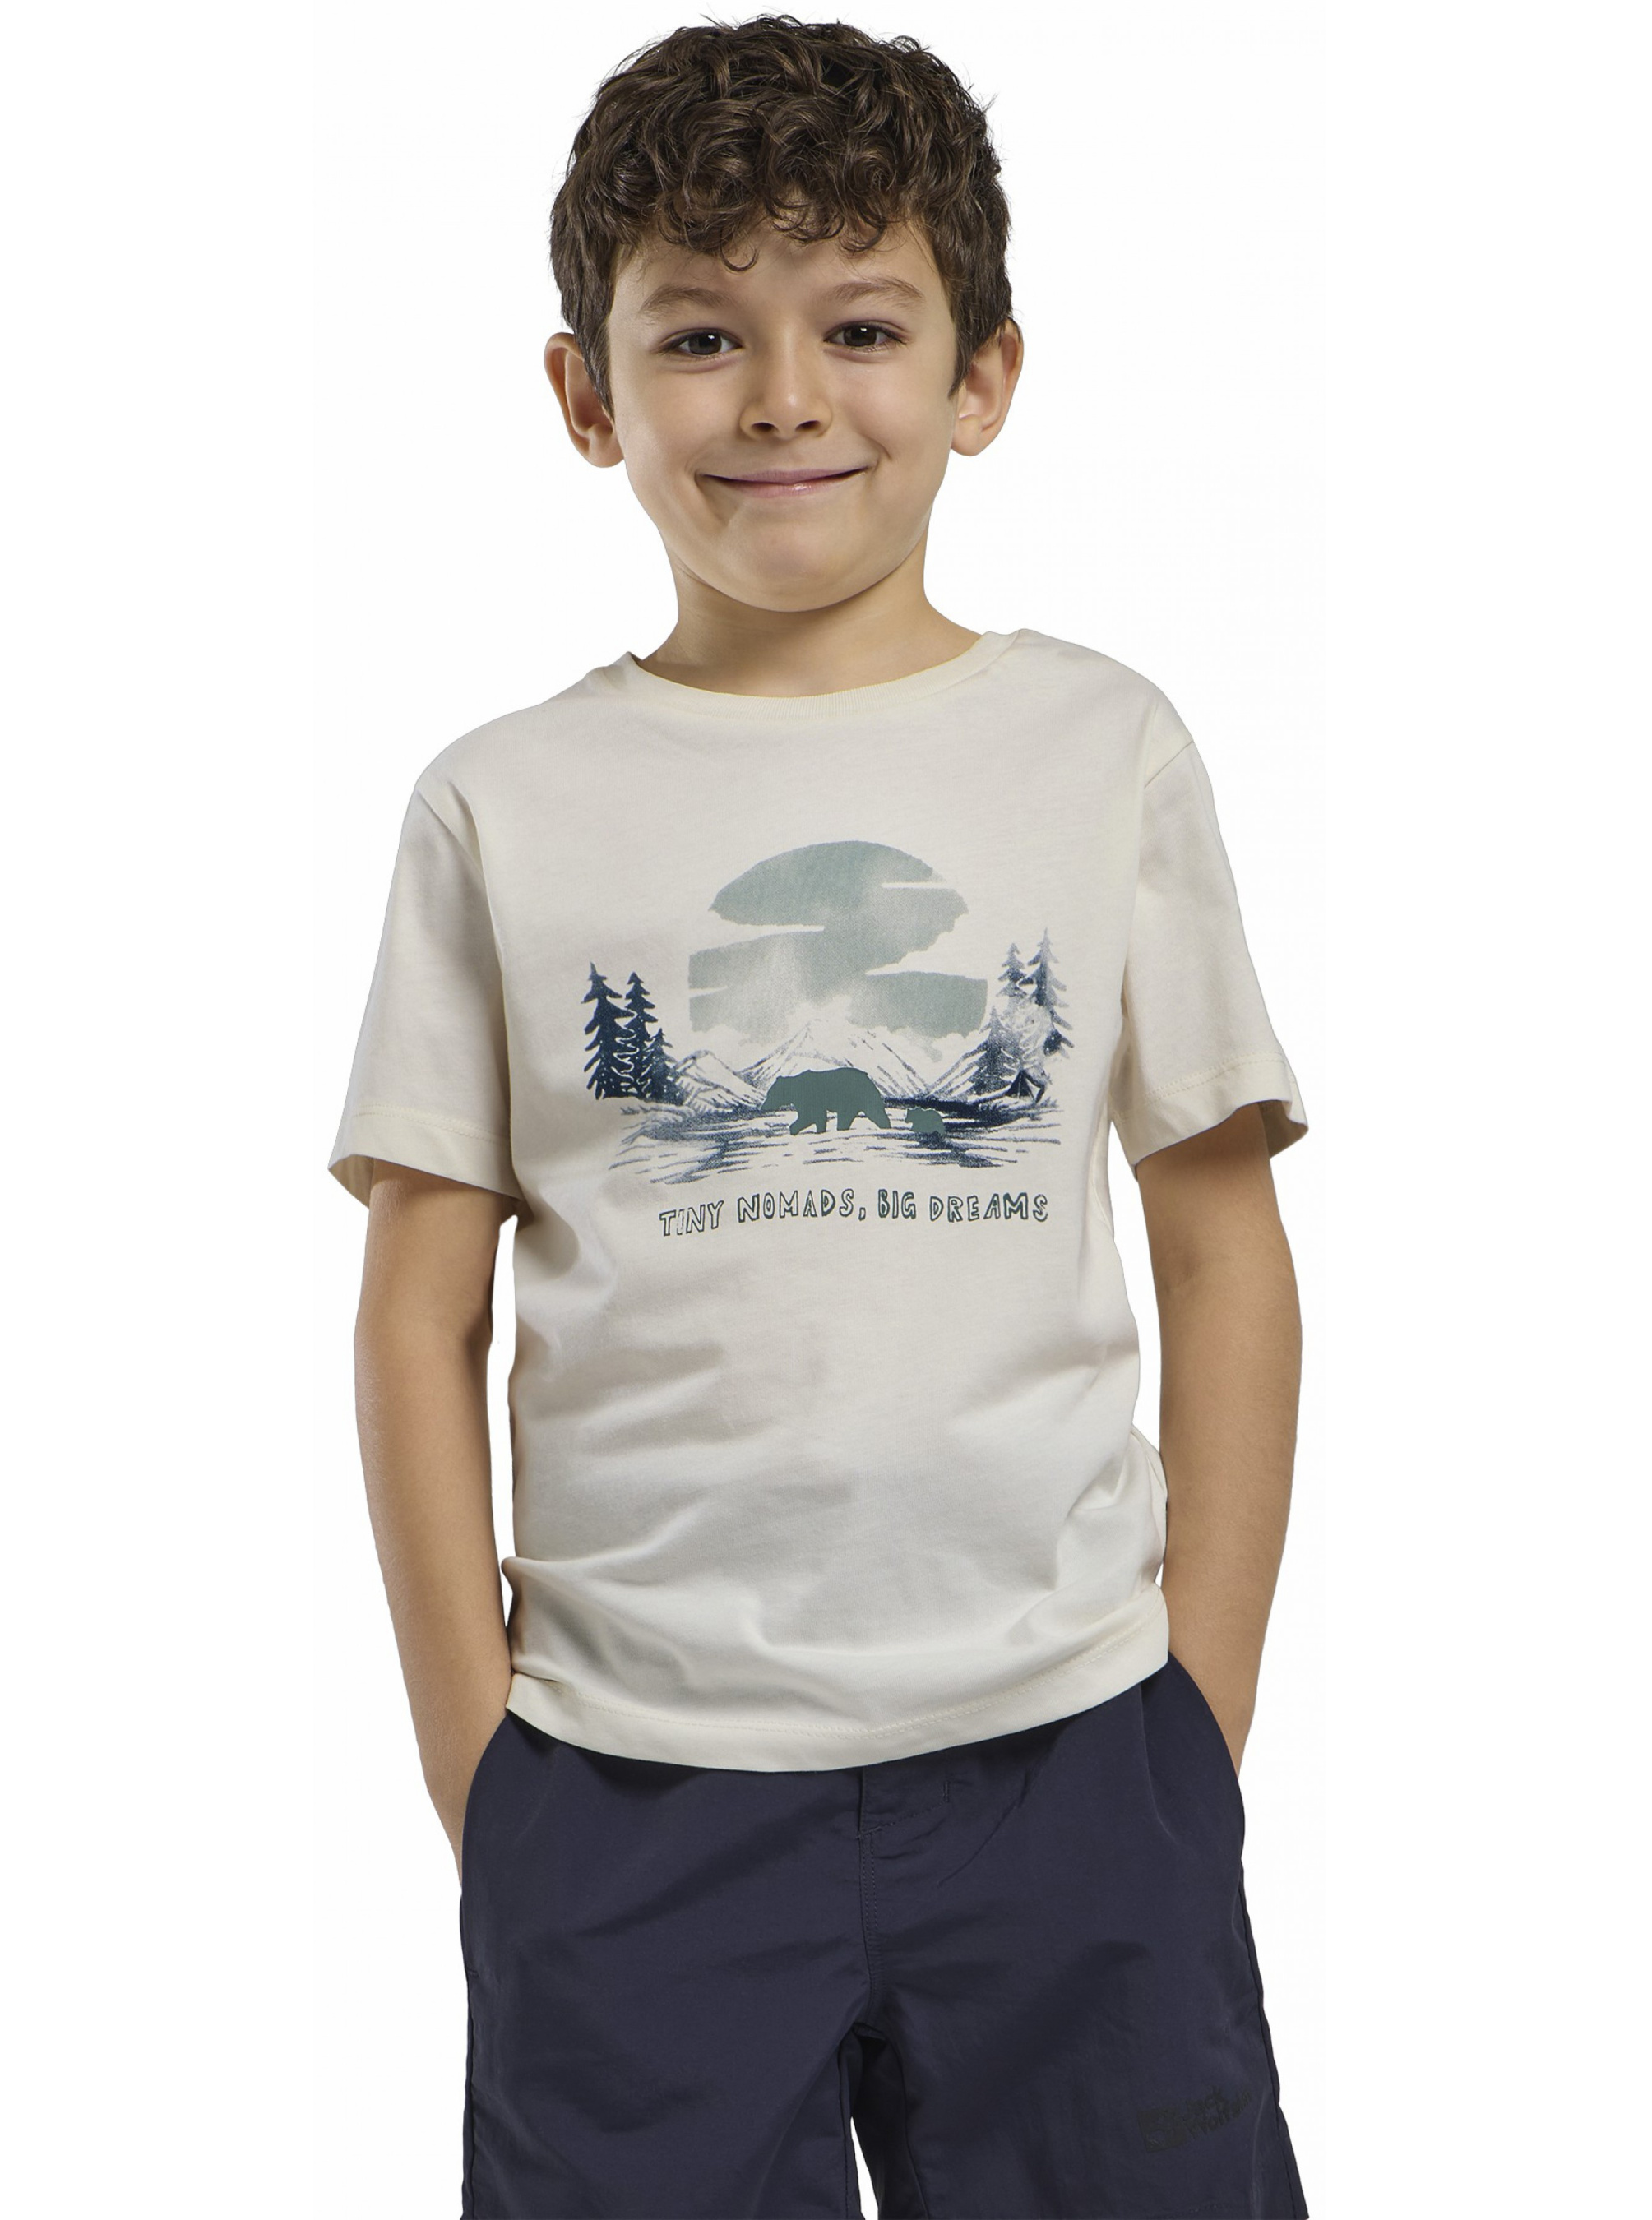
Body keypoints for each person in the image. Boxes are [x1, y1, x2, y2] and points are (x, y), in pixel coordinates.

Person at [328, 17, 1312, 2217]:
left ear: (983, 376)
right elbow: (417, 1311)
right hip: (629, 1787)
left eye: (860, 327)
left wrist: (1194, 1722)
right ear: (588, 394)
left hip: (1075, 1757)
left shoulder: (1104, 750)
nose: (782, 397)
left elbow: (1220, 1239)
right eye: (701, 333)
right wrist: (488, 1780)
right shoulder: (501, 803)